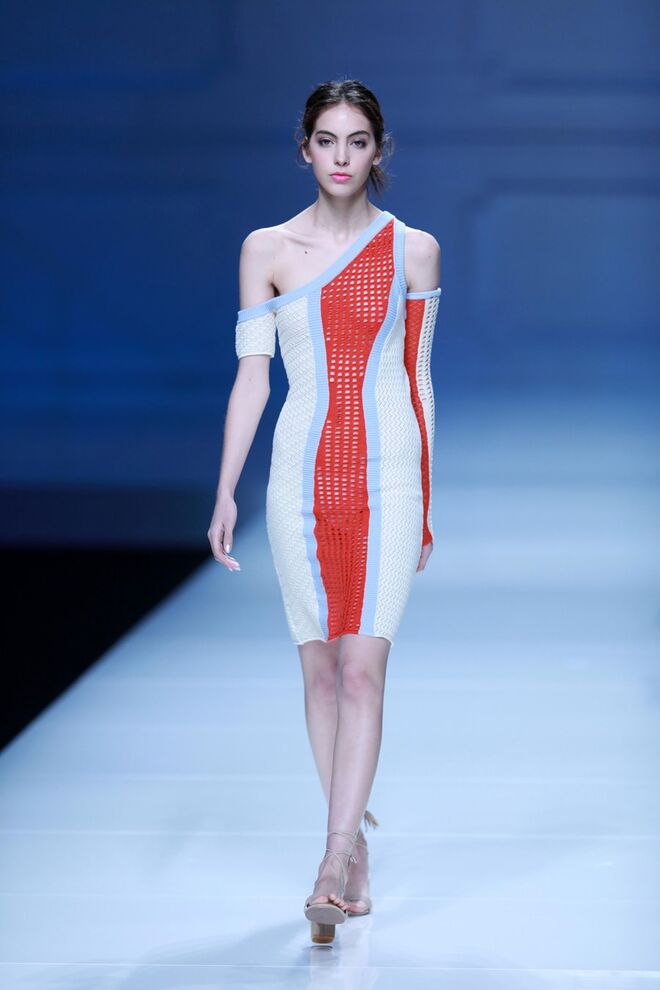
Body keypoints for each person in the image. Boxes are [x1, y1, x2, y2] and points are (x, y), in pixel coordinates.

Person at [208, 78, 441, 944]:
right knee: (317, 673)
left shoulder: (413, 250)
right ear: (303, 148)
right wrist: (226, 488)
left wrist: (426, 502)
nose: (342, 157)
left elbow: (417, 382)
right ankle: (356, 850)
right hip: (297, 481)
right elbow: (253, 377)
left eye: (358, 141)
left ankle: (332, 862)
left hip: (388, 477)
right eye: (327, 140)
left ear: (379, 151)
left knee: (362, 671)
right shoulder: (266, 248)